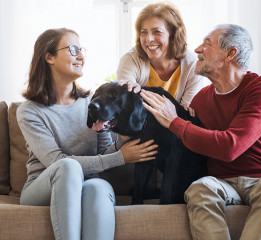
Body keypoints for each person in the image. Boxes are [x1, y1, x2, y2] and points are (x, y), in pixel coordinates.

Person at [140, 24, 261, 240]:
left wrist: (175, 122)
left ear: (231, 53)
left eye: (207, 44)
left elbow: (230, 147)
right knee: (200, 188)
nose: (197, 49)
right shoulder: (200, 100)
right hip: (224, 183)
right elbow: (187, 143)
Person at [17, 28, 158, 240]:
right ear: (49, 57)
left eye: (81, 50)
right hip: (42, 186)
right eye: (73, 50)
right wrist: (120, 158)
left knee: (96, 187)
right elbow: (56, 162)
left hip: (89, 180)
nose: (81, 56)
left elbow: (103, 152)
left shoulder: (92, 102)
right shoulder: (29, 111)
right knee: (67, 166)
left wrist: (121, 140)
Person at [116, 2, 207, 108]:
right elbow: (127, 106)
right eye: (144, 32)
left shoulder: (193, 64)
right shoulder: (130, 59)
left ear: (173, 35)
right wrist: (128, 88)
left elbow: (186, 113)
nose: (149, 39)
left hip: (175, 123)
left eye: (157, 32)